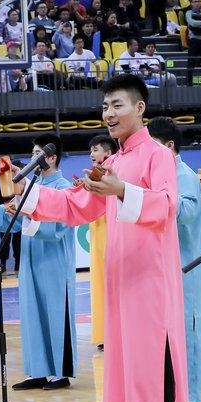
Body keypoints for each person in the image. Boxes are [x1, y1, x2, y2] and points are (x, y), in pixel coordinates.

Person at [19, 74, 192, 402]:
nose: (108, 114)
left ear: (140, 109)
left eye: (117, 105)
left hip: (149, 284)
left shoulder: (157, 154)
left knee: (151, 378)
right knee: (127, 379)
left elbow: (168, 206)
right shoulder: (114, 161)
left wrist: (123, 190)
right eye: (104, 107)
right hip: (120, 285)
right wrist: (27, 195)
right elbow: (79, 205)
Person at [0, 134, 77, 391]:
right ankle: (38, 370)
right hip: (31, 260)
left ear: (51, 157)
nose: (33, 158)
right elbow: (14, 222)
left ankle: (60, 373)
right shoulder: (30, 188)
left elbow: (57, 228)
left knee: (54, 313)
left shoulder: (64, 189)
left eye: (38, 153)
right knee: (33, 315)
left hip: (54, 262)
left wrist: (28, 214)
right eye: (32, 153)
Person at [147, 117, 201, 402]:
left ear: (169, 146)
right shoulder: (160, 175)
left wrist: (155, 200)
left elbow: (187, 210)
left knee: (190, 331)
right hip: (164, 269)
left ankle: (195, 399)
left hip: (187, 267)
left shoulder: (182, 174)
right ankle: (175, 396)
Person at [86, 134, 118, 352]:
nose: (91, 154)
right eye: (90, 150)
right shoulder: (96, 174)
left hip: (111, 230)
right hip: (97, 229)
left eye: (95, 149)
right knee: (99, 284)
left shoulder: (114, 172)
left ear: (107, 153)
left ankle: (115, 333)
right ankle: (105, 333)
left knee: (112, 283)